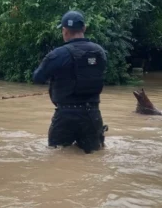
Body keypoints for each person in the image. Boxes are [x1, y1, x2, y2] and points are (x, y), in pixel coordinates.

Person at [33, 11, 107, 154]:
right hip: (93, 114)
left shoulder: (58, 54)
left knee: (56, 156)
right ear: (84, 28)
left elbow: (37, 77)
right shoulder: (100, 52)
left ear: (64, 30)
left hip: (65, 116)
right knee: (94, 158)